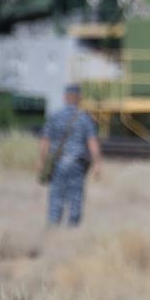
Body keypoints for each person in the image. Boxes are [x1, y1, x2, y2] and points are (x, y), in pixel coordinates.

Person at [39, 84, 102, 226]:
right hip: (77, 165)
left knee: (56, 198)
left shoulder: (54, 116)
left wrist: (41, 161)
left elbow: (45, 140)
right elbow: (92, 142)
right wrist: (97, 163)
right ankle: (72, 231)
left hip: (57, 165)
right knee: (76, 200)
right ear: (80, 98)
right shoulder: (85, 118)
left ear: (65, 97)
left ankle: (53, 229)